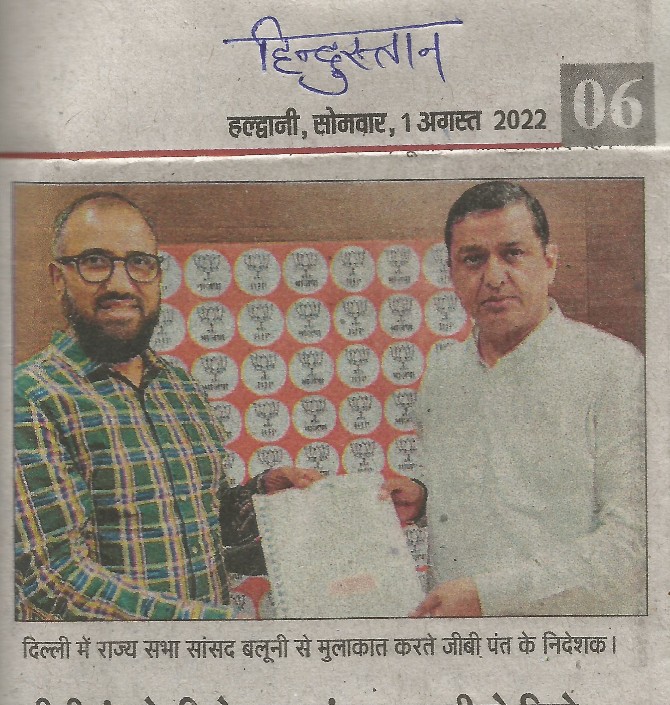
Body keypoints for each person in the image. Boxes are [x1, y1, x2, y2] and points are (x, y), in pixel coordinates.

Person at [15, 192, 319, 620]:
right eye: (95, 262)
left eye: (139, 262)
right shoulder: (28, 398)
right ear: (58, 277)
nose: (121, 284)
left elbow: (204, 523)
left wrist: (260, 497)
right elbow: (53, 580)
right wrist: (212, 628)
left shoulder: (180, 387)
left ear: (157, 276)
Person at [388, 180, 645, 616]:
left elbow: (636, 544)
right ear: (452, 272)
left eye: (513, 253)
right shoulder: (443, 373)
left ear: (550, 261)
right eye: (473, 259)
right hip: (455, 634)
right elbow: (498, 490)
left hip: (567, 639)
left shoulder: (615, 369)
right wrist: (426, 497)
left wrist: (490, 596)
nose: (493, 277)